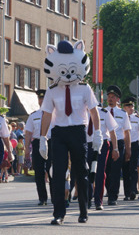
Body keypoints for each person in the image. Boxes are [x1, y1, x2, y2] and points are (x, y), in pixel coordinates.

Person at [39, 40, 101, 225]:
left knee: (81, 171)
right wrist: (43, 138)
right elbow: (47, 115)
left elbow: (93, 111)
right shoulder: (52, 91)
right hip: (58, 133)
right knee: (57, 174)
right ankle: (59, 213)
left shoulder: (84, 88)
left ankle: (83, 210)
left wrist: (97, 132)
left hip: (77, 131)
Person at [24, 89, 52, 205]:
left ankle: (55, 196)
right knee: (39, 172)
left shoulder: (53, 114)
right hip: (36, 143)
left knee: (52, 170)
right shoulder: (33, 115)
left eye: (44, 98)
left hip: (51, 142)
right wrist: (26, 149)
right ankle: (42, 198)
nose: (41, 100)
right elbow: (28, 133)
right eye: (40, 98)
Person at [104, 85, 131, 205]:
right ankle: (109, 191)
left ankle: (113, 196)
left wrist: (128, 148)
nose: (110, 99)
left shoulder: (123, 113)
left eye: (113, 97)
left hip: (119, 143)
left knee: (115, 170)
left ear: (117, 99)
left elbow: (127, 132)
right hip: (106, 142)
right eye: (109, 97)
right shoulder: (102, 111)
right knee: (105, 169)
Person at [122, 97, 139, 200]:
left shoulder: (138, 119)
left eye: (132, 105)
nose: (131, 108)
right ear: (124, 107)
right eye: (128, 106)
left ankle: (133, 190)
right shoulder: (120, 117)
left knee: (133, 168)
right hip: (123, 145)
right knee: (125, 169)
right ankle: (127, 193)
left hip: (134, 145)